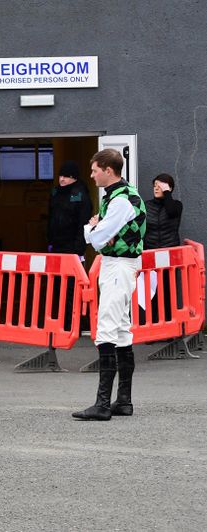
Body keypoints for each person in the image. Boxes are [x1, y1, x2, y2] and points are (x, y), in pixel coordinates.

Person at [73, 149, 146, 421]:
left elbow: (99, 237)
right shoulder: (123, 195)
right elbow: (105, 237)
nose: (91, 176)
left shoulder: (120, 201)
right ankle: (123, 401)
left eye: (94, 170)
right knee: (122, 331)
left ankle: (102, 404)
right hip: (121, 265)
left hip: (118, 265)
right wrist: (101, 233)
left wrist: (91, 229)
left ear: (107, 169)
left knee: (106, 329)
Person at [142, 173, 183, 323]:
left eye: (160, 186)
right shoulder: (146, 206)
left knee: (168, 291)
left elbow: (171, 211)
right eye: (155, 186)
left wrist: (167, 194)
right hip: (150, 255)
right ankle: (153, 327)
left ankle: (169, 326)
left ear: (169, 188)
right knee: (151, 292)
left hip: (169, 255)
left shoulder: (176, 205)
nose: (156, 188)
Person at [47, 160, 92, 256]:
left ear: (74, 178)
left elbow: (83, 221)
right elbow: (51, 217)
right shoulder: (55, 192)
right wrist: (50, 240)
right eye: (60, 176)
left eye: (66, 176)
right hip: (56, 244)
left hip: (72, 246)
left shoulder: (80, 194)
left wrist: (79, 248)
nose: (62, 179)